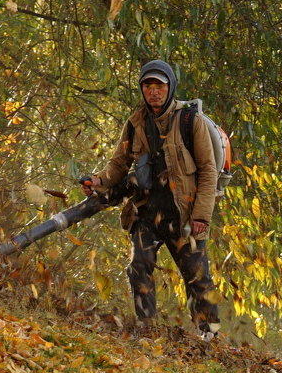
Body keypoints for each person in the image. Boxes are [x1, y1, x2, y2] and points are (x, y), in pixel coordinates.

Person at [80, 59, 222, 339]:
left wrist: (201, 217)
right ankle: (147, 331)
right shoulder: (135, 123)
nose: (154, 91)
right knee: (138, 267)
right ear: (142, 89)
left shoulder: (189, 120)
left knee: (198, 279)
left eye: (159, 85)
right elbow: (117, 164)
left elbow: (208, 171)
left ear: (170, 87)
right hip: (146, 211)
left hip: (184, 214)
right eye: (148, 86)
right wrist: (98, 181)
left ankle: (210, 337)